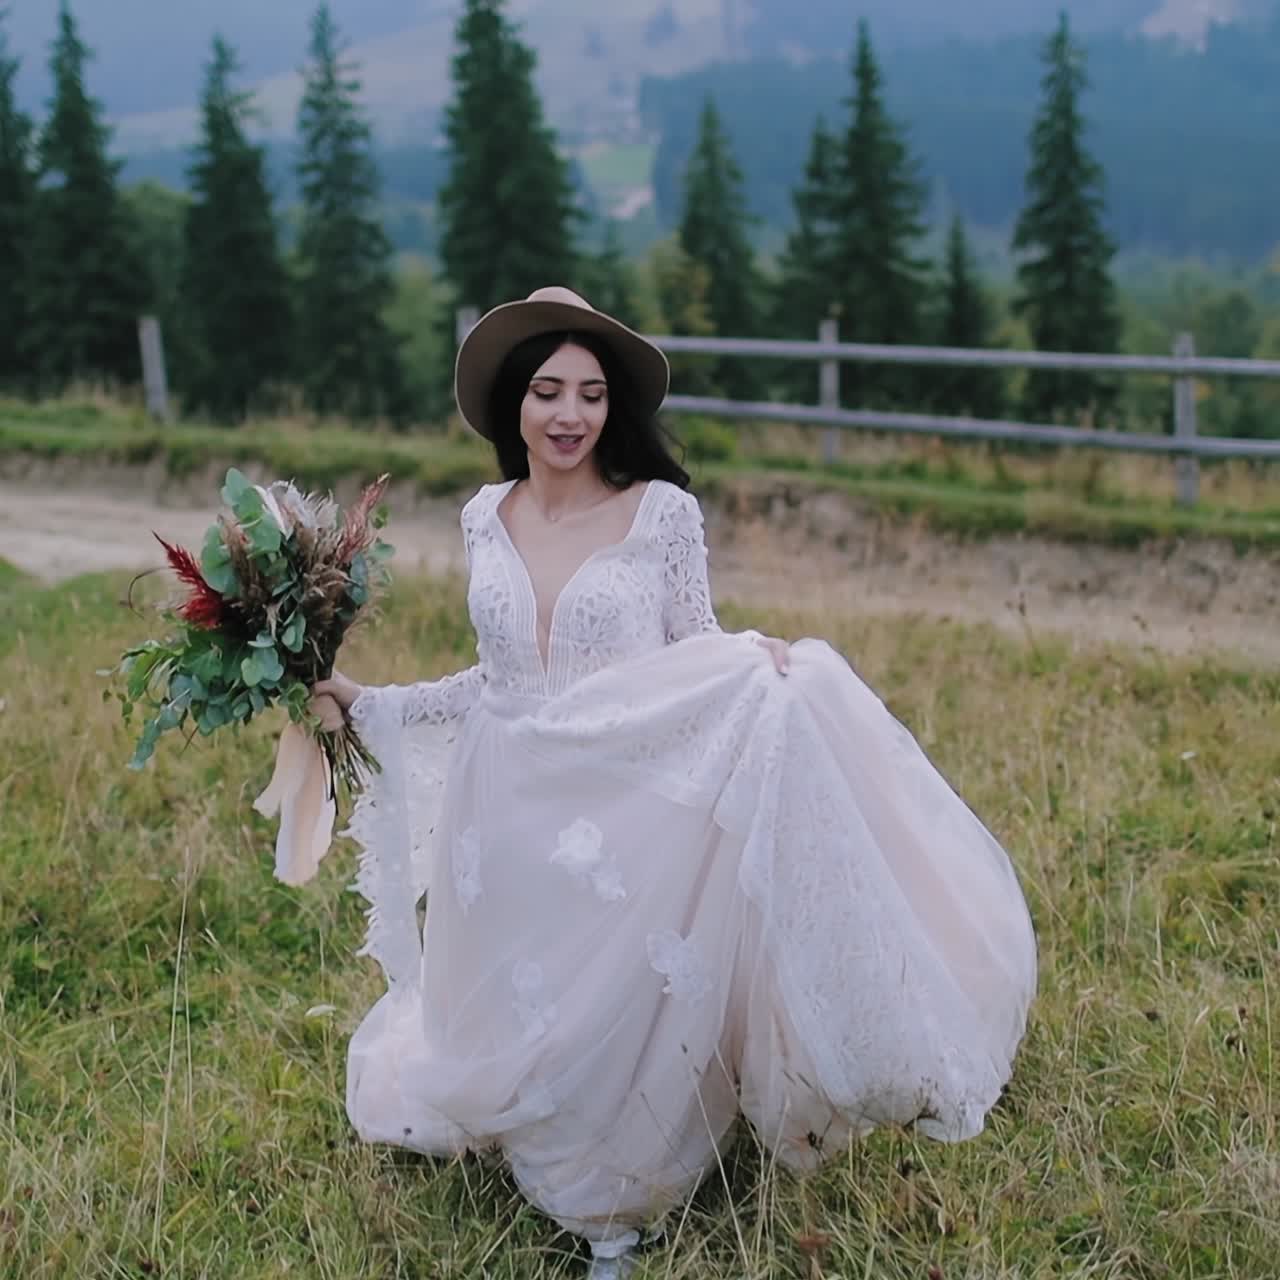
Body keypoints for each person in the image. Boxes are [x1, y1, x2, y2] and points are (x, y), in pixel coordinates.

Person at [310, 286, 1037, 1277]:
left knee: (627, 1001)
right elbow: (497, 674)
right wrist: (365, 701)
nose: (570, 414)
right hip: (509, 805)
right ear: (511, 403)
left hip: (622, 801)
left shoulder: (659, 514)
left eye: (592, 393)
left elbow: (695, 650)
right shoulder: (485, 515)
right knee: (527, 998)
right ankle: (537, 1117)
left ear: (615, 408)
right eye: (548, 391)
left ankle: (614, 1184)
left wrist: (761, 671)